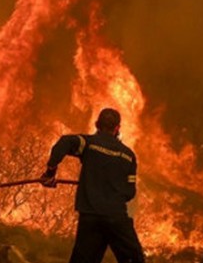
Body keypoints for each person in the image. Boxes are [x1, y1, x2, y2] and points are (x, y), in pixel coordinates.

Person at [40, 108, 146, 263]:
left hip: (90, 217)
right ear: (117, 128)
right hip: (116, 218)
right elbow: (129, 192)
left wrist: (50, 172)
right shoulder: (129, 155)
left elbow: (63, 144)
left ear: (97, 124)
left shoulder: (89, 144)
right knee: (134, 259)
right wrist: (111, 188)